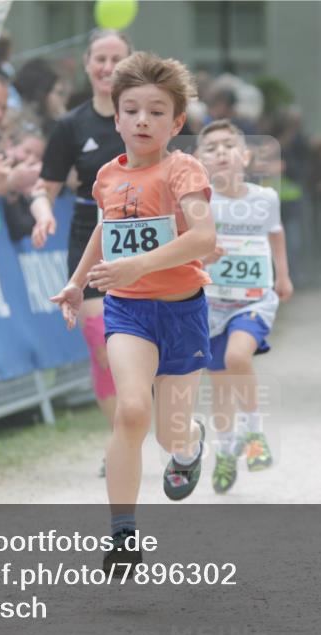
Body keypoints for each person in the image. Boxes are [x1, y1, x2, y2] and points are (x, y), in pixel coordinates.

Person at [49, 52, 216, 569]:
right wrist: (78, 282)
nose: (143, 120)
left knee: (169, 432)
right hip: (128, 312)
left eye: (157, 111)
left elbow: (205, 237)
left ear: (177, 122)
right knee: (131, 411)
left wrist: (137, 265)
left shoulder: (184, 170)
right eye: (132, 110)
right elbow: (106, 228)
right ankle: (123, 536)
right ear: (116, 118)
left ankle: (188, 449)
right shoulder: (106, 176)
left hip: (181, 311)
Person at [30, 29, 133, 472]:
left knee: (144, 348)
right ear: (88, 64)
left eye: (117, 59)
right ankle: (122, 440)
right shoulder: (72, 126)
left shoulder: (146, 116)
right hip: (89, 239)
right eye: (100, 59)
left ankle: (151, 418)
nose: (108, 67)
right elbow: (44, 186)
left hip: (144, 240)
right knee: (101, 346)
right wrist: (41, 212)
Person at [194, 119, 293, 494]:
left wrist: (283, 276)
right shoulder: (199, 204)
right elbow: (188, 252)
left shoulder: (264, 198)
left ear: (245, 156)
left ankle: (253, 434)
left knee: (239, 358)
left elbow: (276, 235)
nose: (220, 152)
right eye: (211, 147)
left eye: (228, 145)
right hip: (211, 305)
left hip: (253, 300)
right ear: (198, 160)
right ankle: (224, 450)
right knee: (219, 385)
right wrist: (204, 255)